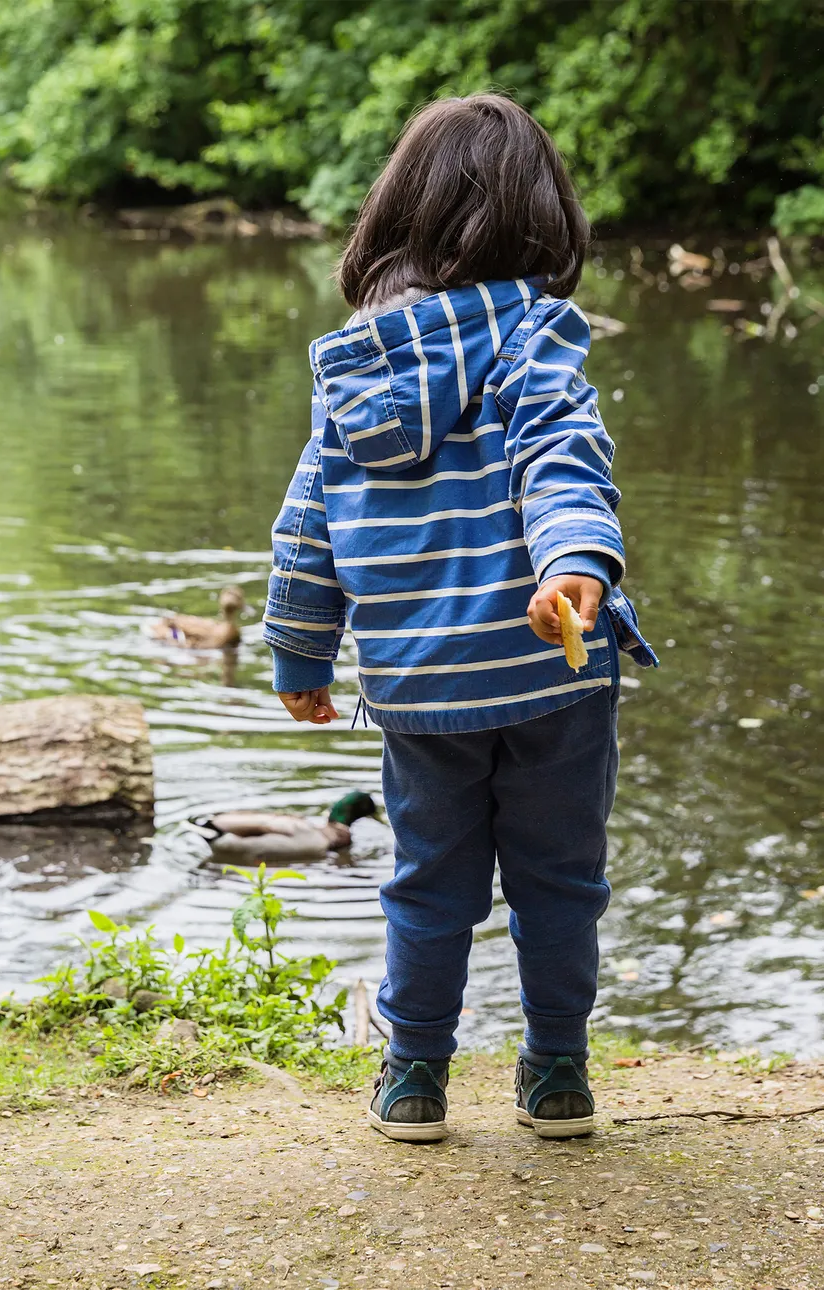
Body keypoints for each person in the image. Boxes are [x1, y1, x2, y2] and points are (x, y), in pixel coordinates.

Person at [263, 92, 658, 1142]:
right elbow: (565, 461)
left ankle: (415, 1080)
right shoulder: (534, 337)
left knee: (427, 885)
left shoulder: (353, 373)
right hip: (549, 676)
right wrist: (575, 566)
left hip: (420, 683)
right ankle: (558, 1073)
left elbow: (303, 529)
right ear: (542, 218)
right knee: (560, 881)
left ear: (396, 213)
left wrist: (299, 650)